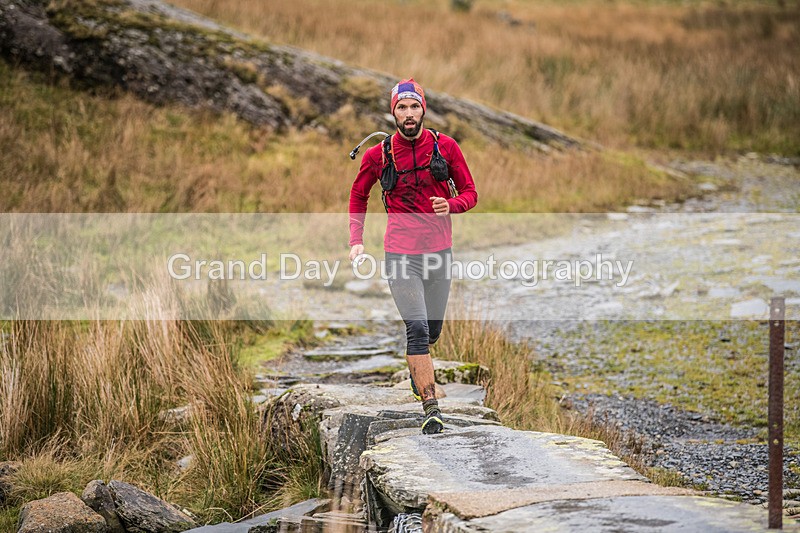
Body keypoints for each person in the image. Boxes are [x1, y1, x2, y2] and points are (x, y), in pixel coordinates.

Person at [348, 78, 478, 434]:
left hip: (439, 254)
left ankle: (416, 370)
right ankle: (431, 408)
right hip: (400, 254)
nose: (408, 113)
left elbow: (470, 192)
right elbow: (358, 195)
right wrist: (356, 240)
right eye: (401, 107)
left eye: (414, 106)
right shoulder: (378, 156)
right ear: (393, 113)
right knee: (417, 329)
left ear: (423, 109)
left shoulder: (446, 147)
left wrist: (451, 204)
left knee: (432, 330)